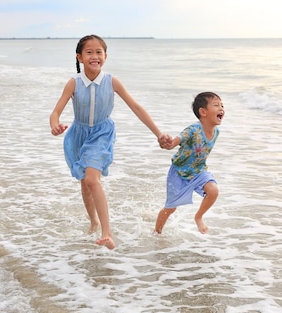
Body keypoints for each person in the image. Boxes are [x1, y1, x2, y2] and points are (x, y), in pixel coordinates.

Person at [50, 34, 168, 250]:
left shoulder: (111, 81)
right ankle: (93, 221)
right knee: (85, 184)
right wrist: (55, 125)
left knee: (93, 179)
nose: (94, 56)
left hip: (102, 133)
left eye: (99, 52)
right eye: (89, 52)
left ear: (105, 56)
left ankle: (107, 232)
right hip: (78, 135)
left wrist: (158, 134)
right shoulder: (73, 83)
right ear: (79, 57)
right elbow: (56, 111)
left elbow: (136, 107)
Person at [155, 92, 225, 235]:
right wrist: (169, 142)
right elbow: (176, 141)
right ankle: (157, 232)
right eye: (216, 105)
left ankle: (198, 217)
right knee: (171, 208)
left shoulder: (216, 132)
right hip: (179, 172)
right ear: (203, 112)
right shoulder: (193, 130)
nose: (221, 108)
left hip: (199, 171)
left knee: (213, 190)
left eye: (222, 105)